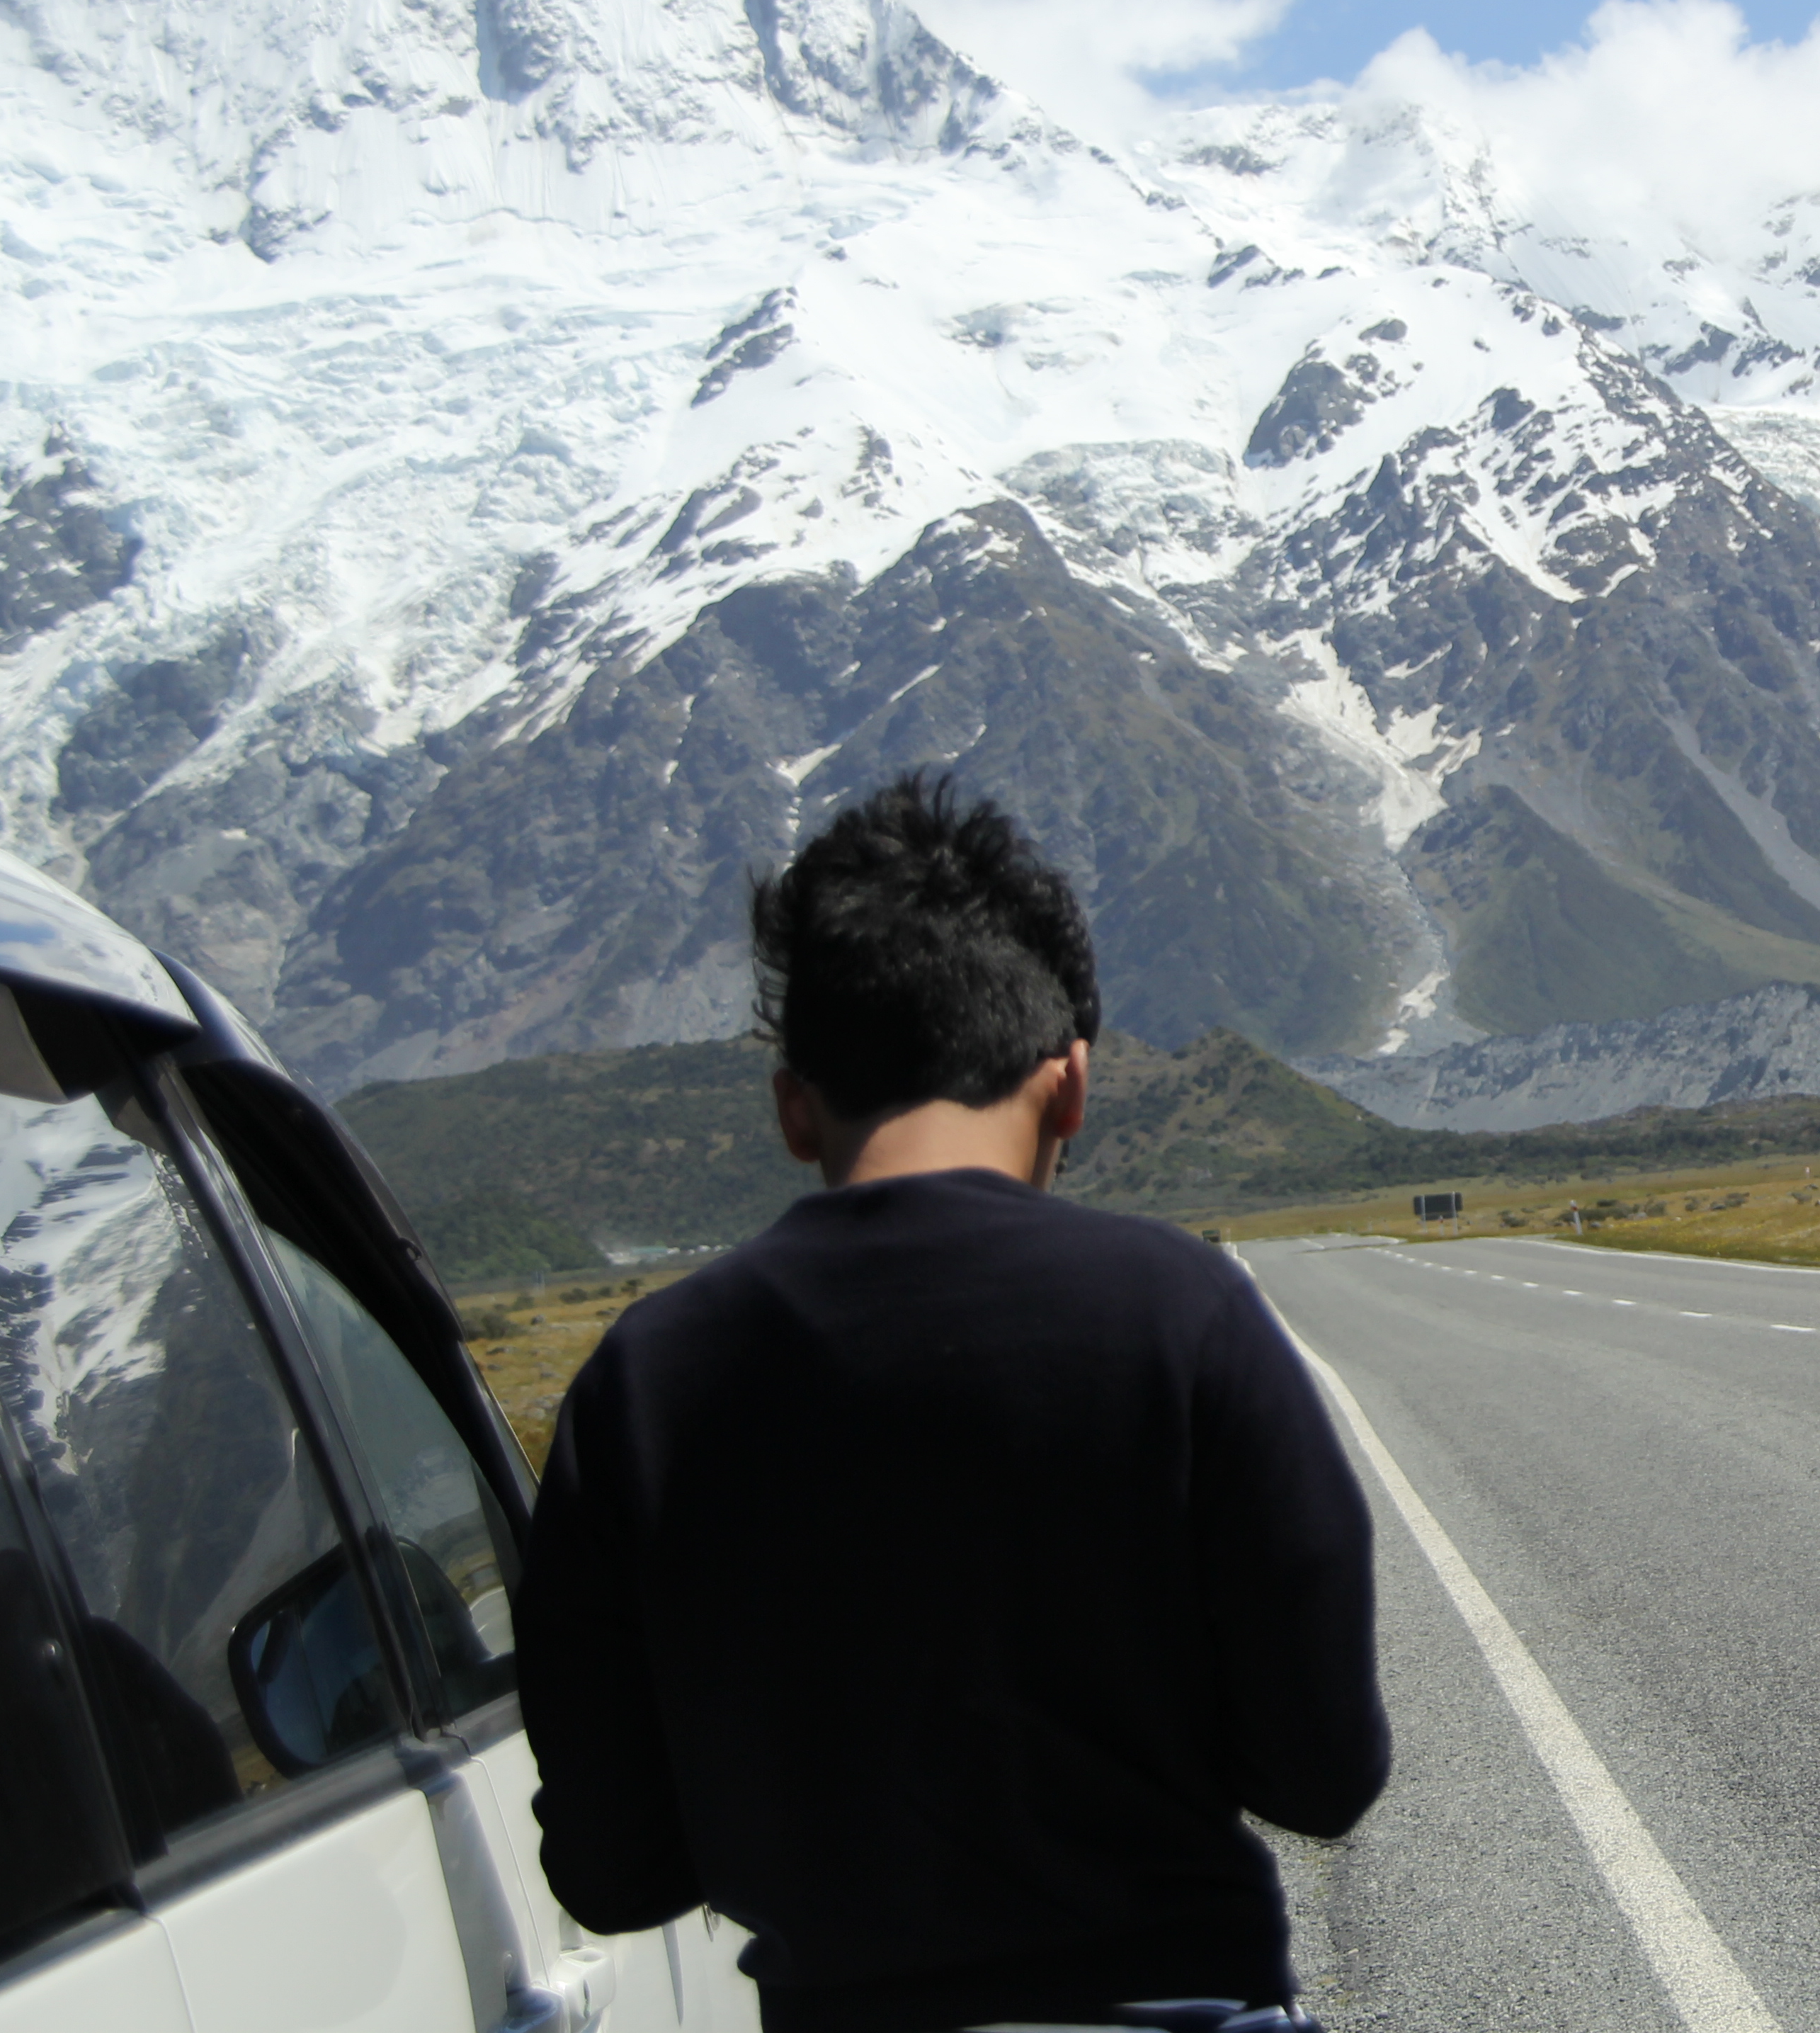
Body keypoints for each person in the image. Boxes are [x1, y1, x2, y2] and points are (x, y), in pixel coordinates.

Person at [516, 774, 1389, 2033]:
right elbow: (1325, 1774)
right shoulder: (1185, 1313)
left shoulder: (642, 1384)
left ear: (791, 1107)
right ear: (1072, 1083)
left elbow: (612, 1870)